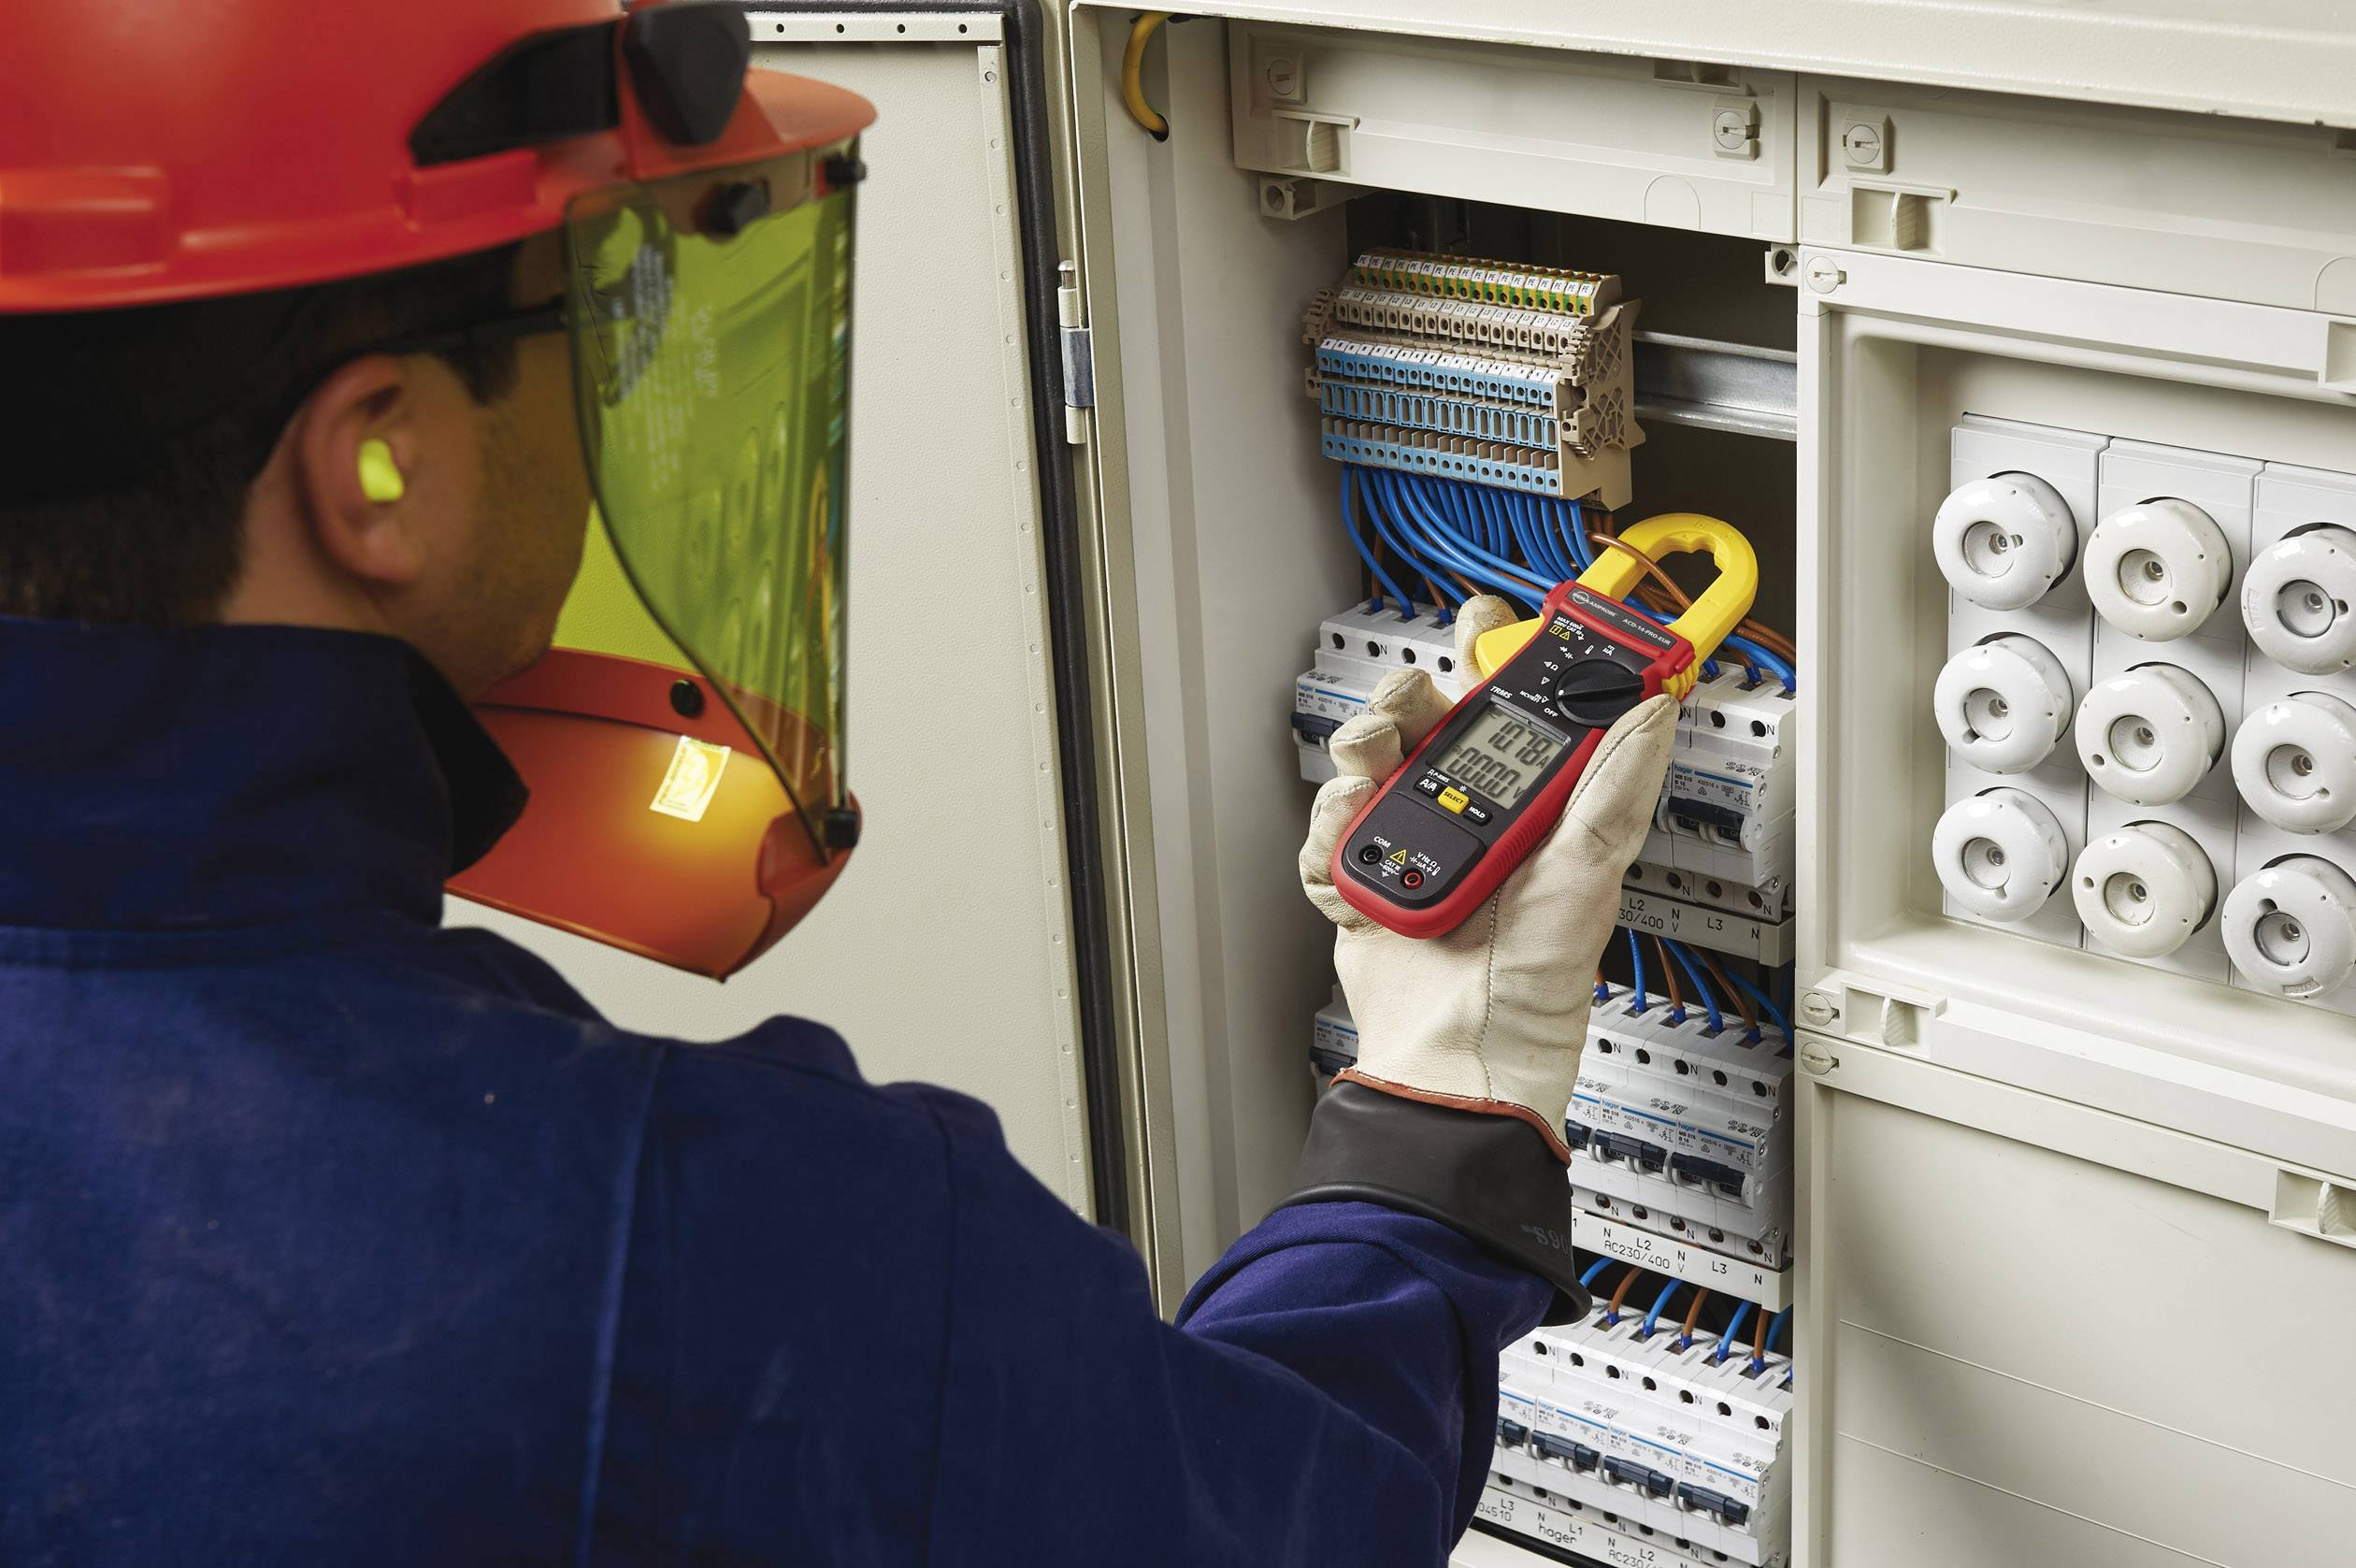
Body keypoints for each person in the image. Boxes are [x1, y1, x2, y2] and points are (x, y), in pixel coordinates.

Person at [0, 3, 1674, 1562]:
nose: (621, 392)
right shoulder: (695, 1245)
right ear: (386, 460)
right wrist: (1440, 1100)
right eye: (603, 315)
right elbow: (1281, 1511)